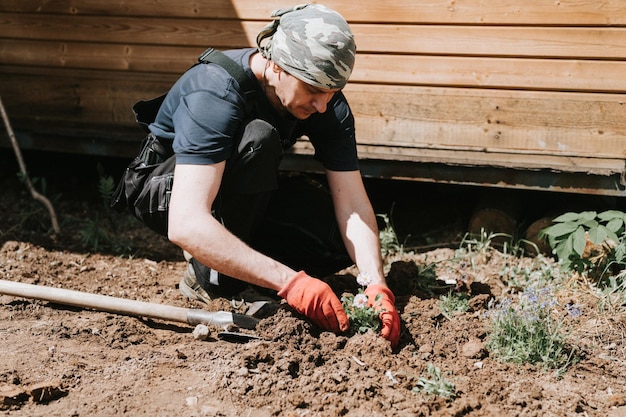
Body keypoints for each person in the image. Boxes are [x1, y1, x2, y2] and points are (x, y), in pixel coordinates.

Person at [139, 4, 400, 346]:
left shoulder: (325, 101)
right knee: (258, 139)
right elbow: (186, 221)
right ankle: (212, 279)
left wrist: (374, 282)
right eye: (314, 90)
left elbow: (351, 203)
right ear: (277, 65)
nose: (323, 105)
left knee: (339, 239)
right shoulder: (215, 90)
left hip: (239, 192)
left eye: (332, 92)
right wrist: (292, 284)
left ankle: (242, 266)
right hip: (168, 194)